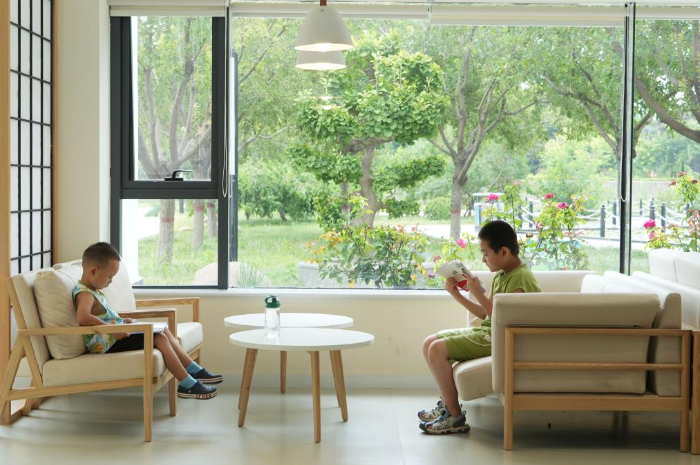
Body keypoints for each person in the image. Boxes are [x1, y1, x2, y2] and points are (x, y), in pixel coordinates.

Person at [419, 220, 541, 434]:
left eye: (486, 254)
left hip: (500, 339)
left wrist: (477, 293)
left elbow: (503, 320)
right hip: (488, 332)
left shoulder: (522, 279)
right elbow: (486, 314)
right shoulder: (503, 275)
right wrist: (457, 295)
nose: (483, 260)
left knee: (437, 349)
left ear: (504, 251)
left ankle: (455, 417)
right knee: (429, 342)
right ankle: (447, 406)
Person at [73, 242, 222, 400]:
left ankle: (194, 370)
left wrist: (122, 321)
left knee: (162, 330)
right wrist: (112, 330)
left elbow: (102, 315)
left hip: (112, 336)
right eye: (110, 276)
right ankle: (187, 385)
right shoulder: (85, 294)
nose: (111, 281)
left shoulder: (92, 290)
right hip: (107, 343)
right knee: (158, 337)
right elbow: (83, 317)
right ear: (93, 271)